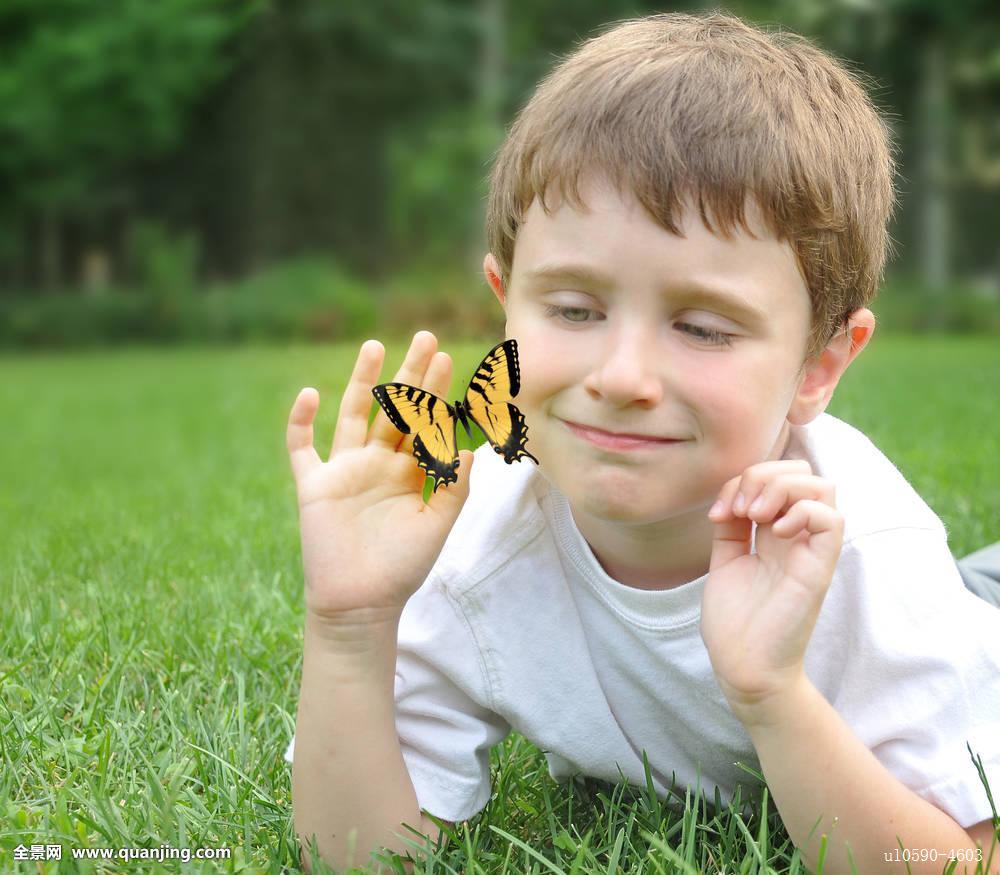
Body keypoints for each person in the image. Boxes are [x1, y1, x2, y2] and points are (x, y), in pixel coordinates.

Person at [283, 12, 1000, 874]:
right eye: (575, 310)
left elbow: (963, 861)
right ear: (504, 302)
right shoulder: (469, 536)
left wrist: (773, 695)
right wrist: (352, 626)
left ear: (819, 365)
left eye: (702, 327)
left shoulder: (869, 558)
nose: (622, 375)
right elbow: (359, 857)